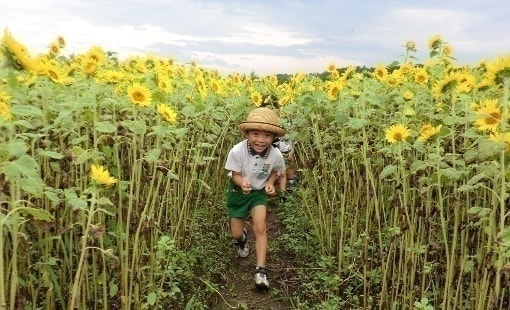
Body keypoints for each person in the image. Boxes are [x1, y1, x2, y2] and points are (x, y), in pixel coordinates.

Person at [225, 107, 287, 290]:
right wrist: (241, 182)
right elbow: (234, 173)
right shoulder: (237, 151)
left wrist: (269, 182)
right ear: (246, 134)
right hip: (238, 192)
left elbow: (276, 170)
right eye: (255, 134)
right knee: (236, 232)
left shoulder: (275, 154)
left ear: (273, 138)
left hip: (258, 193)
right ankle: (242, 239)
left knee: (260, 226)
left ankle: (261, 270)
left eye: (267, 135)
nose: (261, 140)